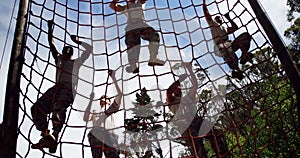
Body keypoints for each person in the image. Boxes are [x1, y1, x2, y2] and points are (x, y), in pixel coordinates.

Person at [31, 20, 93, 153]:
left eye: (69, 53)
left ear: (71, 55)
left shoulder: (76, 62)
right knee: (36, 108)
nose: (66, 55)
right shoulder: (58, 58)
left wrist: (77, 41)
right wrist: (50, 29)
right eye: (65, 52)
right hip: (56, 88)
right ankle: (46, 135)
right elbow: (51, 44)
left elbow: (90, 50)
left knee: (57, 108)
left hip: (68, 89)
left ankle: (55, 134)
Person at [166, 63, 228, 157]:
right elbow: (168, 91)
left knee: (216, 131)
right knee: (197, 144)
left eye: (179, 89)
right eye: (176, 89)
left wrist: (190, 70)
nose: (178, 90)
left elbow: (195, 85)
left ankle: (222, 153)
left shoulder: (188, 97)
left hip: (196, 120)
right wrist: (179, 81)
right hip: (185, 124)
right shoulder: (172, 101)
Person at [203, 0, 254, 80]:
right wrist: (204, 3)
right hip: (219, 46)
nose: (219, 18)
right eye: (217, 17)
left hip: (228, 44)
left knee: (246, 36)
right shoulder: (213, 24)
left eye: (220, 17)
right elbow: (207, 15)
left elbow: (235, 27)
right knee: (227, 51)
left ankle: (244, 55)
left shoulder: (224, 29)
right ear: (215, 20)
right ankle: (236, 70)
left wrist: (228, 18)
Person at [109, 0, 165, 73]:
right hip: (131, 26)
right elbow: (112, 6)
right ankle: (133, 65)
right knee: (132, 44)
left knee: (154, 35)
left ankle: (153, 58)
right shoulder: (125, 7)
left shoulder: (139, 3)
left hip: (141, 24)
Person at [84, 70, 121, 158]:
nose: (103, 98)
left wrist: (114, 78)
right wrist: (90, 100)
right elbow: (85, 118)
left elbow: (120, 94)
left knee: (113, 155)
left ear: (109, 102)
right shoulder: (95, 111)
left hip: (110, 132)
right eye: (102, 98)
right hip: (96, 132)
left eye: (106, 97)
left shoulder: (111, 108)